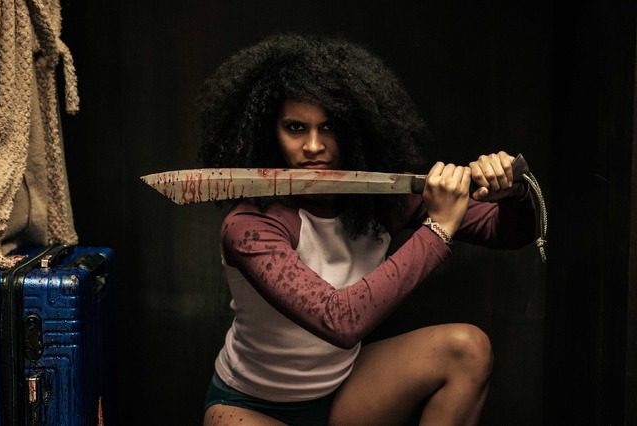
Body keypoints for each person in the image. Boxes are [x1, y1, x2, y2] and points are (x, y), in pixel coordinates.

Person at [197, 33, 537, 426]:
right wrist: (438, 228)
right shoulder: (250, 224)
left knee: (468, 350)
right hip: (247, 405)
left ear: (355, 128)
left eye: (329, 127)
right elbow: (339, 321)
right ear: (269, 131)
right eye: (295, 127)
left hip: (344, 393)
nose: (313, 146)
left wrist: (513, 193)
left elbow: (506, 232)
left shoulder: (381, 202)